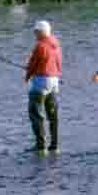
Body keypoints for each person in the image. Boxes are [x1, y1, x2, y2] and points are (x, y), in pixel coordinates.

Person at [25, 21, 63, 151]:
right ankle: (55, 146)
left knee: (35, 113)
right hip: (54, 82)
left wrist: (27, 76)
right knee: (53, 115)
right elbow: (58, 62)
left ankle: (41, 146)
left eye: (36, 31)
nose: (35, 34)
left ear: (42, 32)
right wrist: (57, 75)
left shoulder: (40, 46)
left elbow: (32, 64)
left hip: (41, 83)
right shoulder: (56, 43)